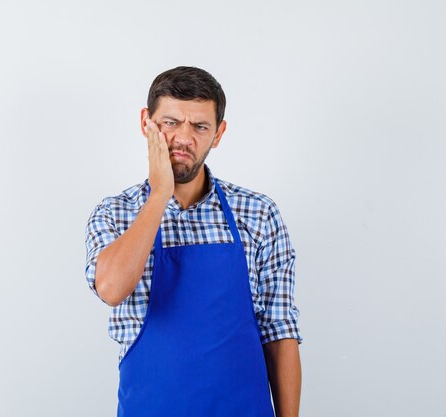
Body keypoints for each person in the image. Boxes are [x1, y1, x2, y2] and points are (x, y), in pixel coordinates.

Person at [85, 66, 302, 417]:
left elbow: (280, 332)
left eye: (200, 126)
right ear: (147, 122)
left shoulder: (258, 214)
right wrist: (160, 194)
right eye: (170, 122)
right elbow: (110, 288)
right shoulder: (115, 214)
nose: (184, 138)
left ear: (218, 133)